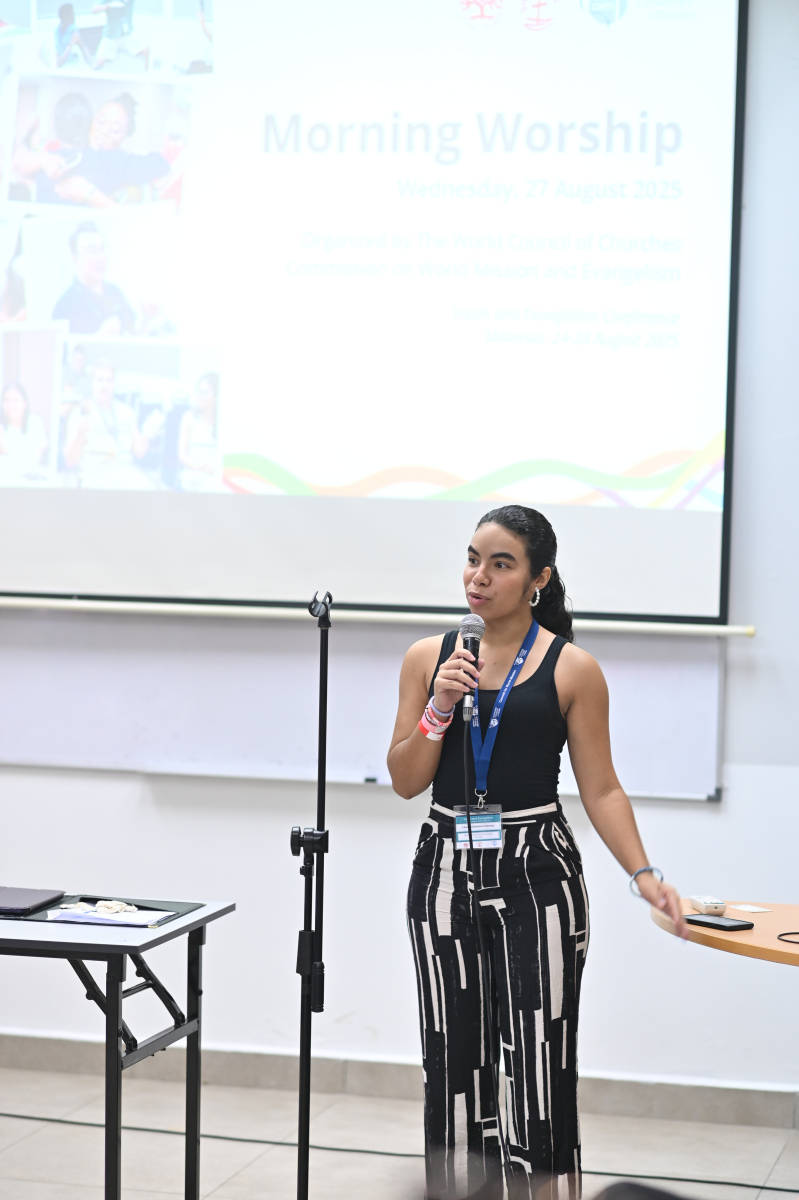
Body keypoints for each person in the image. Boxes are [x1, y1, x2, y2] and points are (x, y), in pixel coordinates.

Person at [388, 505, 687, 1200]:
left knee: (538, 1059)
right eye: (472, 559)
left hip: (537, 873)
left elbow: (602, 788)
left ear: (537, 579)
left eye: (500, 565)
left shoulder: (572, 668)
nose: (478, 577)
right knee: (452, 1061)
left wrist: (644, 874)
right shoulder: (428, 659)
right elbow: (405, 779)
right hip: (443, 869)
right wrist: (437, 707)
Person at [62, 359, 152, 489]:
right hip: (96, 477)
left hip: (127, 473)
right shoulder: (80, 413)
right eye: (100, 380)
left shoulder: (128, 413)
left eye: (109, 381)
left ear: (114, 384)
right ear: (92, 383)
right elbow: (70, 461)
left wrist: (144, 442)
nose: (104, 386)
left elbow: (138, 452)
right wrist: (80, 433)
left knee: (149, 488)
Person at [52, 222, 135, 335]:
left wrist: (147, 319)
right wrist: (100, 337)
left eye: (102, 249)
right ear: (75, 258)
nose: (101, 257)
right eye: (92, 251)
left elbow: (133, 333)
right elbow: (64, 346)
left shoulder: (114, 292)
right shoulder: (64, 306)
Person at [178, 372, 224, 491]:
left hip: (215, 481)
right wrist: (198, 467)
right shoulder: (189, 417)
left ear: (216, 397)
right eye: (199, 391)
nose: (200, 396)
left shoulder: (222, 421)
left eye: (205, 392)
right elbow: (182, 454)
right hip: (192, 479)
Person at [0, 382, 49, 484]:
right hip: (7, 484)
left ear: (24, 403)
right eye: (7, 401)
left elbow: (41, 456)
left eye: (15, 400)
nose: (11, 405)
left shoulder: (35, 423)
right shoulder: (2, 428)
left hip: (33, 482)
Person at [92, 0, 150, 72]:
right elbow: (94, 9)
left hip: (127, 33)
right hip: (111, 34)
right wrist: (110, 5)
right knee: (98, 63)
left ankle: (147, 73)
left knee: (146, 50)